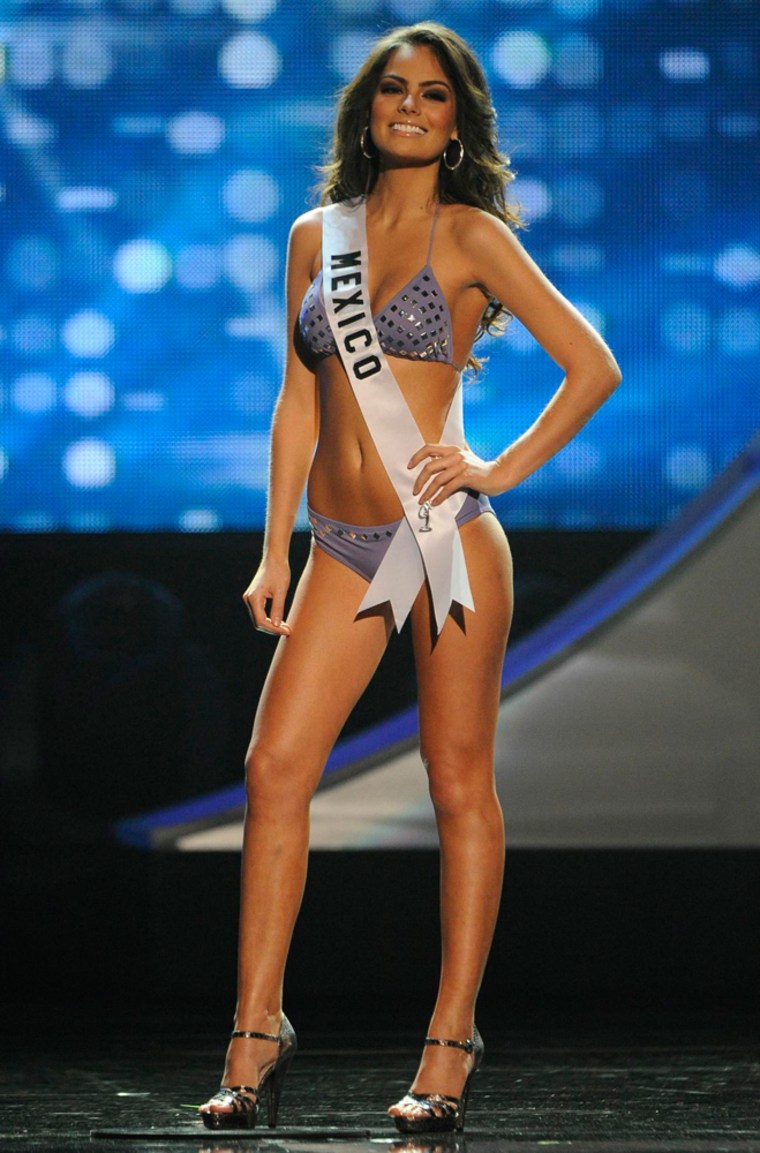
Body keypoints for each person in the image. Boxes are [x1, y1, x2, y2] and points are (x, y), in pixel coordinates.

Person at [199, 20, 621, 1135]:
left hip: (440, 542)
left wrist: (499, 467)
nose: (410, 107)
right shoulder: (313, 235)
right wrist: (273, 546)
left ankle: (450, 1036)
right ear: (366, 108)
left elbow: (594, 365)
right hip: (338, 545)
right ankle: (255, 1029)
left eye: (434, 95)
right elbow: (298, 399)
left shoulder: (471, 234)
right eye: (394, 89)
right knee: (274, 766)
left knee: (454, 783)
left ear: (457, 120)